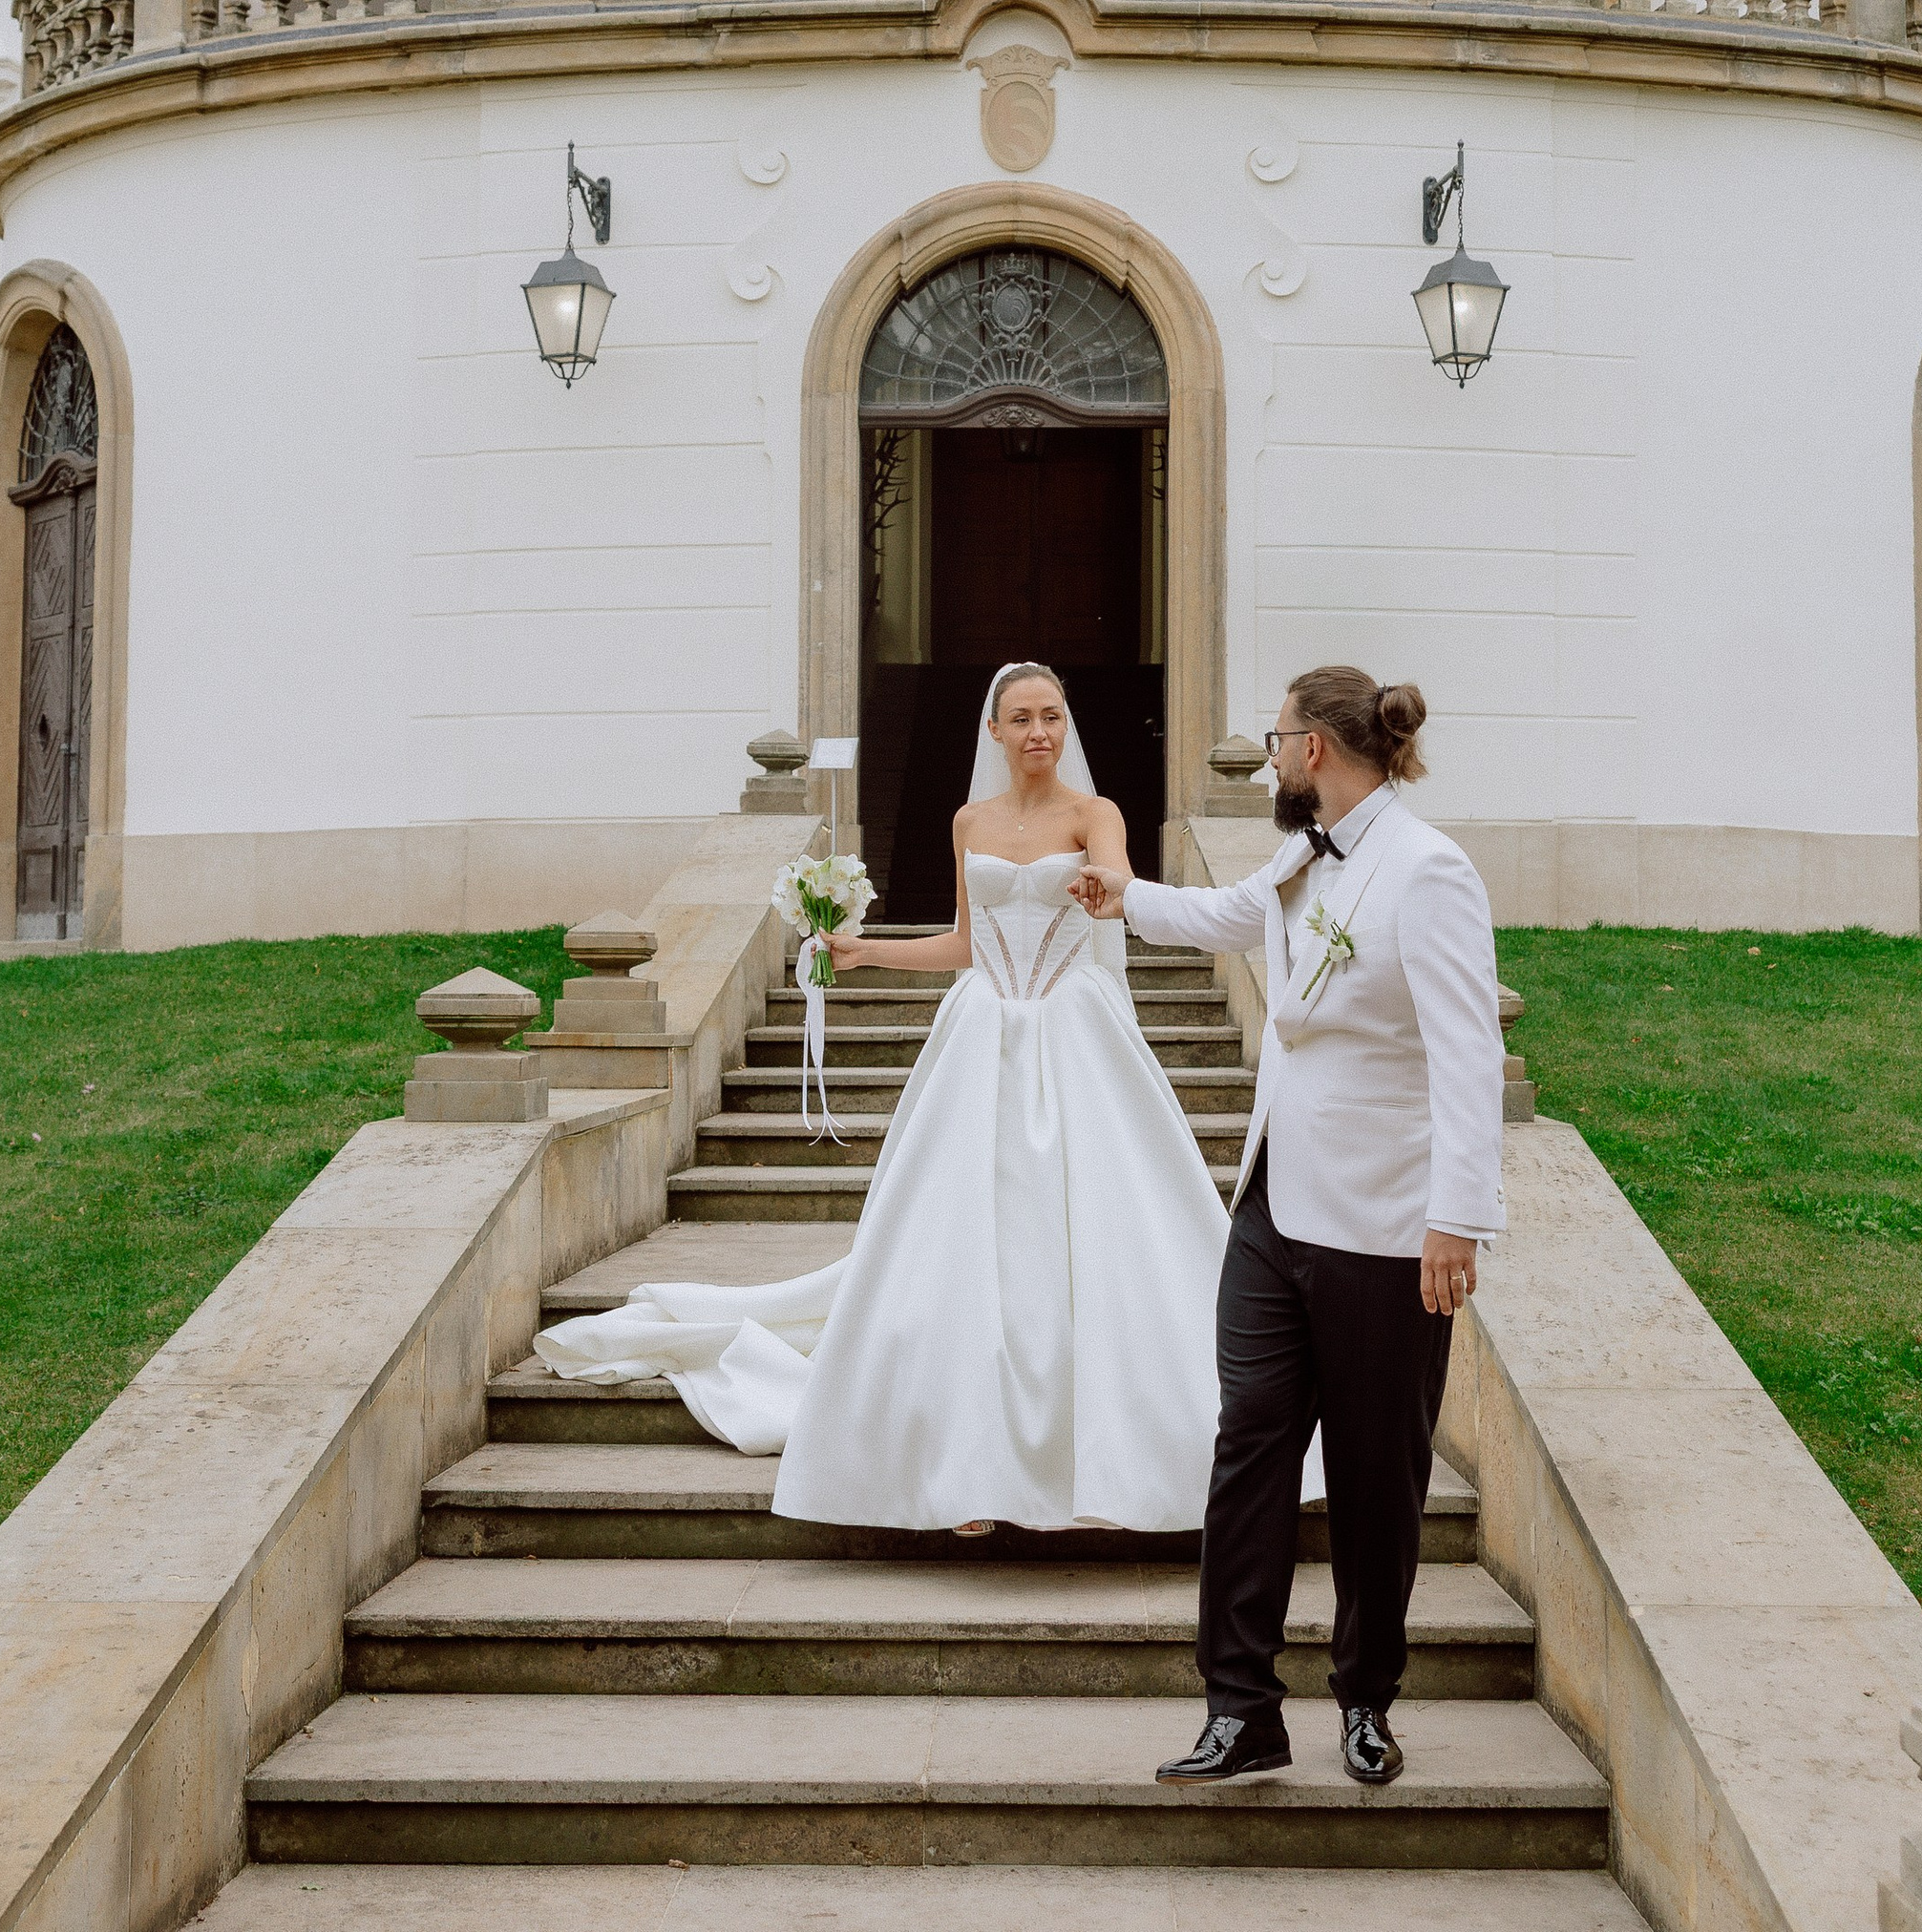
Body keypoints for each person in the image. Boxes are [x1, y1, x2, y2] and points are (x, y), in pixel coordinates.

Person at [533, 661, 1233, 1535]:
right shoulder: (969, 820)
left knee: (1092, 1230)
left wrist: (1107, 892)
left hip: (1072, 1027)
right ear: (995, 731)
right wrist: (865, 954)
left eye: (1052, 715)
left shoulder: (1096, 816)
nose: (1039, 733)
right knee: (964, 1238)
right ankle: (964, 1463)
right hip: (983, 1033)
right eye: (1021, 718)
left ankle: (1107, 1458)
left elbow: (1117, 890)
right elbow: (970, 944)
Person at [1073, 661, 1506, 1796]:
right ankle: (1239, 1708)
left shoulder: (1430, 871)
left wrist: (1457, 1220)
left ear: (1314, 748)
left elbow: (1467, 1057)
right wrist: (1122, 896)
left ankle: (1365, 1698)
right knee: (1249, 1450)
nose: (1270, 760)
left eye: (1273, 741)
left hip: (1384, 1227)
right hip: (1272, 1211)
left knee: (1374, 1478)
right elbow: (1229, 917)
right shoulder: (1301, 853)